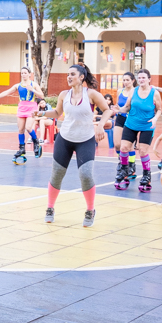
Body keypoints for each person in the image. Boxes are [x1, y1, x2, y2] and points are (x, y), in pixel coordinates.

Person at [35, 64, 111, 227]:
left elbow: (107, 110)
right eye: (67, 74)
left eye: (72, 74)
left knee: (86, 175)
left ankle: (90, 210)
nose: (68, 77)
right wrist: (41, 113)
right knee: (57, 174)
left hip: (85, 140)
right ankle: (50, 207)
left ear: (81, 77)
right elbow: (57, 113)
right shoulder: (64, 94)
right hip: (65, 139)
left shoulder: (91, 94)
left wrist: (100, 125)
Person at [114, 69, 162, 192]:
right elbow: (127, 107)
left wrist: (155, 118)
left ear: (149, 79)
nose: (141, 80)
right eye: (139, 78)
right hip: (131, 123)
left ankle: (146, 175)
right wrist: (118, 110)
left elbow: (160, 109)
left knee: (142, 151)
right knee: (124, 147)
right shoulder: (133, 91)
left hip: (147, 125)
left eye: (143, 77)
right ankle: (124, 170)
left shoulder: (154, 93)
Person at [0, 66, 45, 162]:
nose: (23, 75)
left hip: (31, 107)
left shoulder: (33, 84)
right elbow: (6, 92)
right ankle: (22, 149)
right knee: (21, 129)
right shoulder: (18, 85)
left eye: (25, 73)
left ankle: (36, 142)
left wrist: (33, 90)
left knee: (28, 127)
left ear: (29, 74)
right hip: (22, 107)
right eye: (22, 73)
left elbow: (42, 96)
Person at [111, 72, 136, 186]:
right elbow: (118, 104)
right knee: (117, 144)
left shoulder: (136, 92)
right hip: (120, 118)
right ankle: (121, 162)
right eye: (124, 80)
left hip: (131, 119)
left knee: (128, 145)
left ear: (133, 80)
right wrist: (115, 109)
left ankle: (131, 166)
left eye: (127, 80)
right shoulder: (120, 91)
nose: (125, 82)